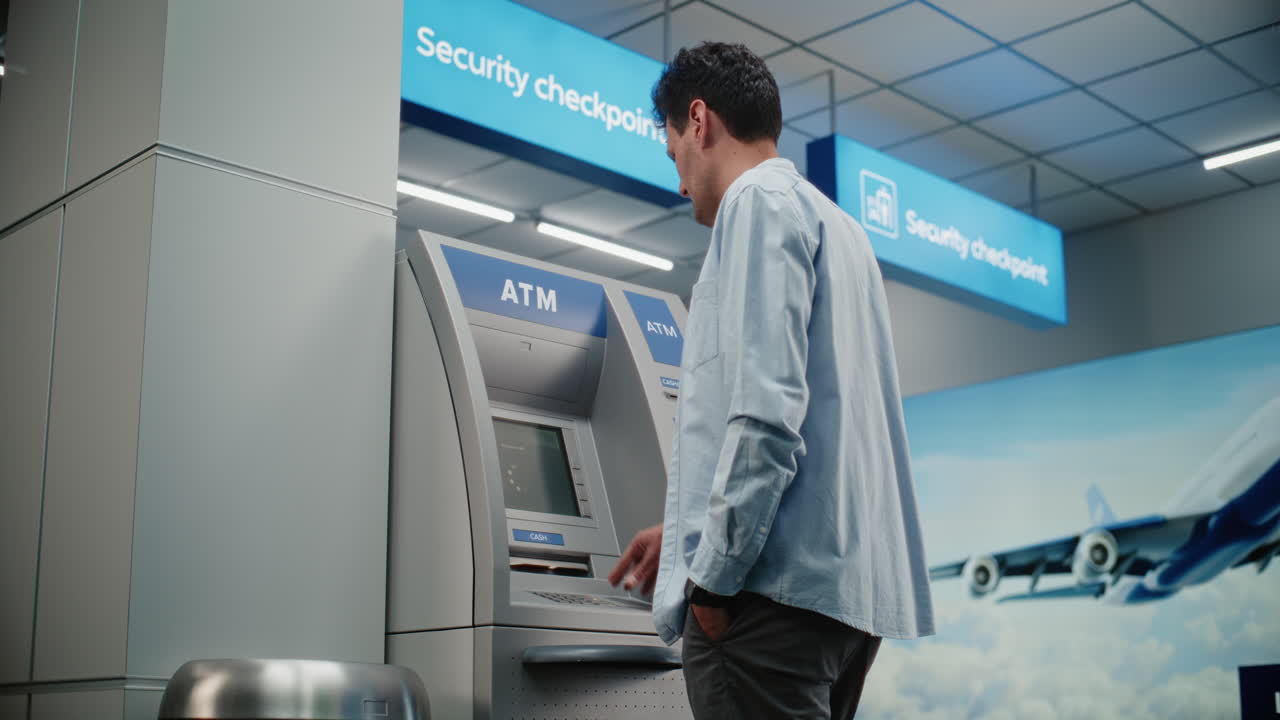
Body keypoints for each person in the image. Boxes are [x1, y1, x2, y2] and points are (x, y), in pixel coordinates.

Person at [608, 42, 935, 719]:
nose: (678, 184)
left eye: (674, 156)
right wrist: (688, 530)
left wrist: (714, 586)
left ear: (699, 121)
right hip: (842, 605)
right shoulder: (840, 228)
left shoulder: (755, 206)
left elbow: (765, 418)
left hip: (765, 606)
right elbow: (827, 430)